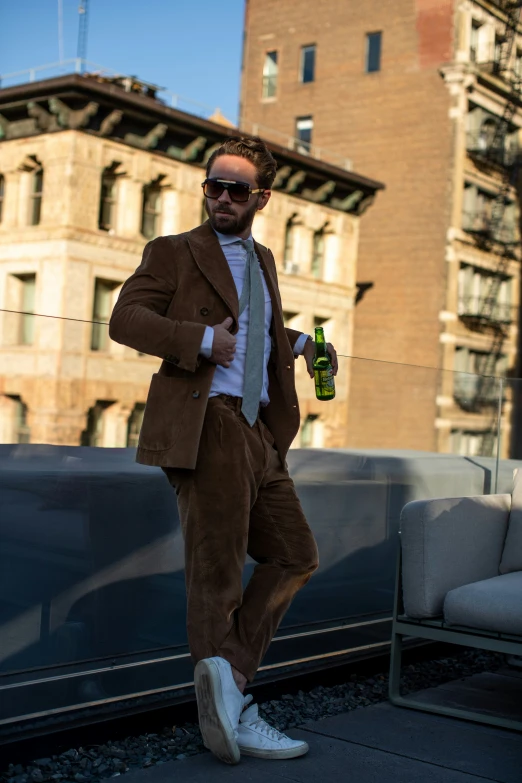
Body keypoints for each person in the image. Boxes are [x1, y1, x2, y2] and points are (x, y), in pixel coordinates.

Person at [109, 136, 338, 765]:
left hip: (261, 429)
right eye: (215, 185)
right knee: (216, 574)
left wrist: (295, 345)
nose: (223, 198)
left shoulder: (261, 258)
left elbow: (255, 327)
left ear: (261, 197)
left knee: (295, 554)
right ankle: (233, 716)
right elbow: (125, 320)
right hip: (206, 421)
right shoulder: (174, 252)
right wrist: (204, 340)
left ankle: (230, 686)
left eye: (238, 190)